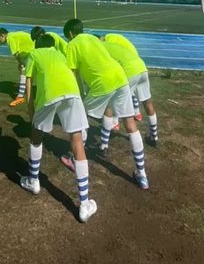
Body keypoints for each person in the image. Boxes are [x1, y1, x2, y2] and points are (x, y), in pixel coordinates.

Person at [63, 19, 149, 190]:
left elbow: (73, 73)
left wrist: (78, 96)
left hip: (102, 84)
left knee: (80, 120)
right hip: (120, 78)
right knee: (130, 124)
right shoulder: (94, 39)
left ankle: (75, 159)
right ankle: (142, 173)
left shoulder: (72, 45)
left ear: (70, 34)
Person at [19, 33, 97, 223]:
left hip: (49, 95)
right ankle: (84, 204)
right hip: (72, 93)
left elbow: (28, 85)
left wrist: (31, 114)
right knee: (77, 141)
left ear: (37, 44)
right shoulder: (60, 54)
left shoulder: (33, 54)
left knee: (36, 136)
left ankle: (34, 180)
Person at [98, 34, 158, 146]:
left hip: (129, 71)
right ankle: (154, 136)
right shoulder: (115, 41)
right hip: (141, 66)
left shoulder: (101, 47)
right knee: (147, 102)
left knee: (111, 104)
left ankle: (104, 144)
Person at [0, 29, 34, 106]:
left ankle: (20, 96)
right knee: (23, 70)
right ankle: (23, 86)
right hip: (29, 51)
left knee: (23, 70)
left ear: (2, 35)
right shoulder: (12, 35)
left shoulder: (9, 39)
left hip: (30, 52)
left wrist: (21, 63)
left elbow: (15, 53)